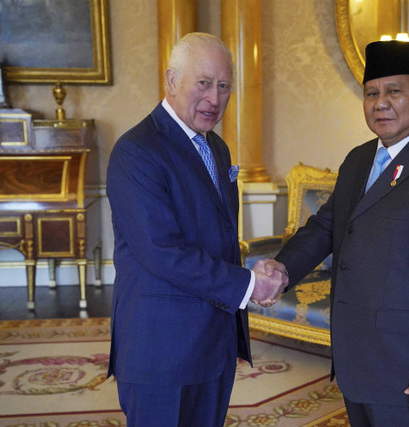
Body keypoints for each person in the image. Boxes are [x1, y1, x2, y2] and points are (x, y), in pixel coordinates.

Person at [260, 40, 409, 426]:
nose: (380, 103)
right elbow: (327, 225)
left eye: (394, 91)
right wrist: (283, 269)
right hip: (359, 360)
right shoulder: (359, 159)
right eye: (371, 93)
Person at [106, 32, 284, 426]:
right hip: (161, 350)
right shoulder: (136, 151)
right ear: (171, 81)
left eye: (223, 86)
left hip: (213, 343)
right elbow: (161, 251)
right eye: (203, 83)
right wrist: (250, 285)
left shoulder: (216, 148)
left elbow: (217, 236)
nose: (214, 98)